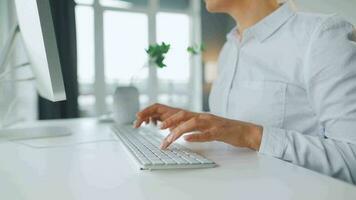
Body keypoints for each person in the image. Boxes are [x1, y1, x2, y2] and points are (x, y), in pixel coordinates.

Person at [135, 0, 356, 184]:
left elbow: (352, 159)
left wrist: (251, 135)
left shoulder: (321, 35)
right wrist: (192, 118)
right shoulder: (228, 48)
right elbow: (230, 128)